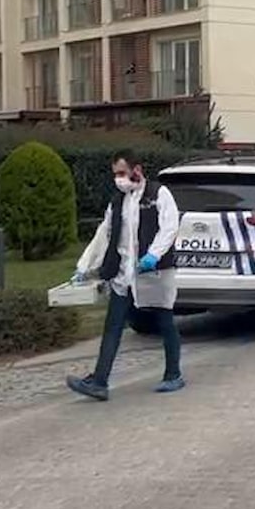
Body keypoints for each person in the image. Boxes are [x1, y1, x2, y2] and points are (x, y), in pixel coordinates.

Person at [66, 150, 184, 401]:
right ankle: (99, 381)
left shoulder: (158, 194)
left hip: (154, 273)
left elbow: (169, 227)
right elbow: (105, 234)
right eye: (115, 174)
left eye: (122, 173)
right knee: (113, 327)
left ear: (136, 170)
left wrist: (153, 255)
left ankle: (173, 374)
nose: (118, 179)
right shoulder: (118, 201)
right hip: (124, 275)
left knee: (165, 321)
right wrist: (85, 265)